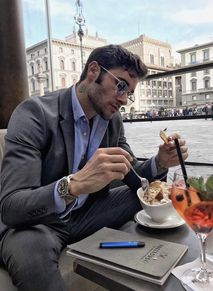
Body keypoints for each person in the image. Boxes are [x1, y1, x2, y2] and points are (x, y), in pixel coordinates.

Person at [0, 44, 188, 291]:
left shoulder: (112, 118)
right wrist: (74, 185)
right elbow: (11, 207)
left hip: (88, 213)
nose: (123, 99)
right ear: (93, 71)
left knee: (161, 198)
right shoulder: (34, 114)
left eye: (129, 93)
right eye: (120, 85)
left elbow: (131, 177)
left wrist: (160, 161)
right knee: (31, 252)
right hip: (40, 223)